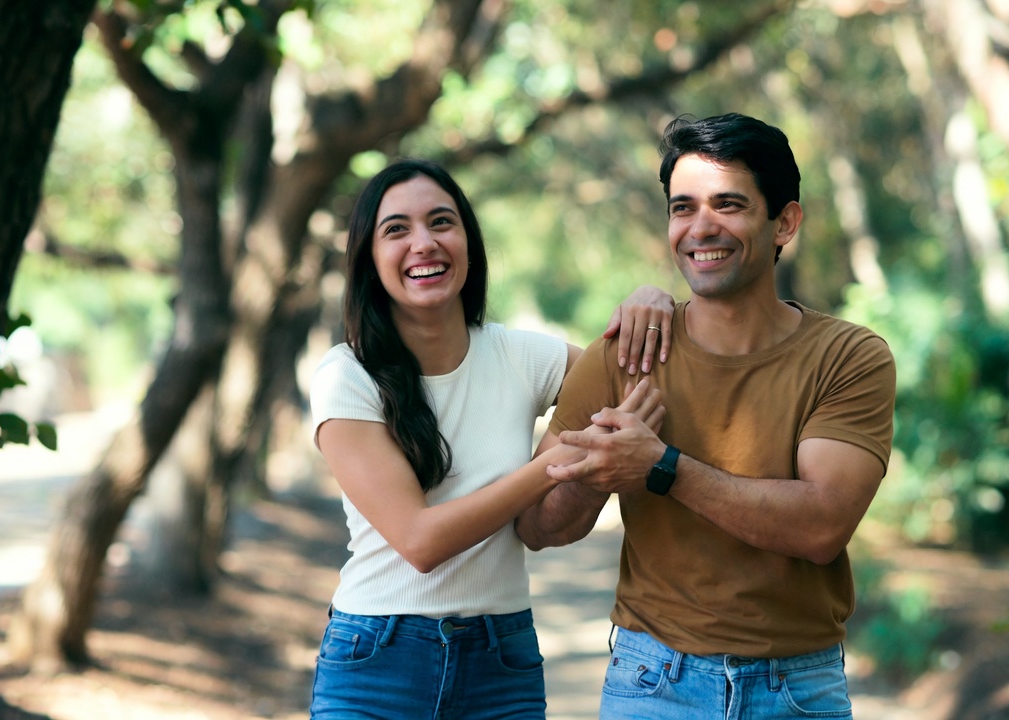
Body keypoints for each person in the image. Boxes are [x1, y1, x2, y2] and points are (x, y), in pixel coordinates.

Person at [516, 113, 896, 719]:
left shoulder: (848, 357)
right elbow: (538, 526)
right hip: (651, 684)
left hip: (798, 689)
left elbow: (821, 527)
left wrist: (660, 467)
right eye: (682, 207)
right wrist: (597, 467)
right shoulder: (622, 354)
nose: (700, 228)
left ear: (785, 222)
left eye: (728, 204)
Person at [307, 158, 672, 719]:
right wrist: (565, 452)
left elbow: (626, 374)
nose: (424, 243)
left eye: (441, 222)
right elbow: (421, 542)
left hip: (502, 660)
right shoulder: (346, 377)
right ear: (368, 260)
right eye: (396, 229)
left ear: (469, 244)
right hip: (378, 661)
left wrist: (652, 297)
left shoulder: (523, 356)